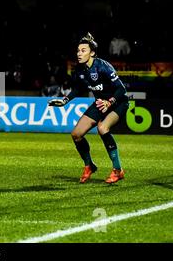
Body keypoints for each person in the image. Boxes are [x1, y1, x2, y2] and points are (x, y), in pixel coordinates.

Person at [48, 33, 128, 184]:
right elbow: (78, 89)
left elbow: (121, 90)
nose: (79, 53)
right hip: (100, 103)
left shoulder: (103, 66)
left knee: (103, 128)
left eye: (83, 50)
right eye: (78, 51)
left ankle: (118, 170)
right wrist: (65, 100)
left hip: (118, 102)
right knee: (76, 134)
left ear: (92, 53)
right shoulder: (80, 70)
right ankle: (89, 165)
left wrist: (109, 102)